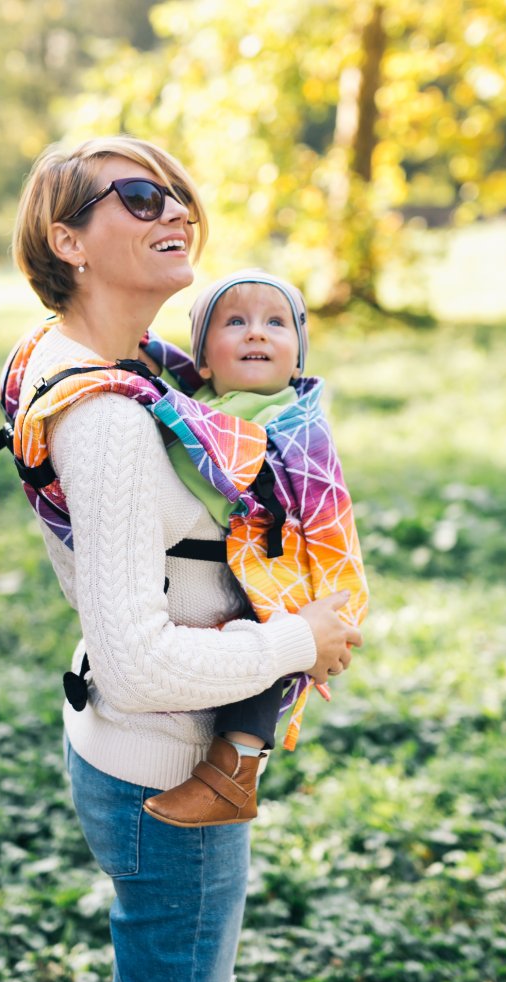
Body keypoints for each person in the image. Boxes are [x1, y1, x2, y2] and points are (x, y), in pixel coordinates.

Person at [8, 135, 363, 982]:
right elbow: (139, 666)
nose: (174, 211)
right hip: (171, 768)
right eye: (136, 197)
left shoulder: (90, 360)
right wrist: (298, 638)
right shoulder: (109, 417)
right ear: (68, 241)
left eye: (174, 196)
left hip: (129, 747)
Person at [142, 269, 368, 828]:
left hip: (278, 559)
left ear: (297, 360)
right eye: (235, 322)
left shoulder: (291, 420)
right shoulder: (200, 396)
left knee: (275, 643)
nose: (256, 334)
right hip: (214, 560)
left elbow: (325, 511)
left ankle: (233, 773)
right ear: (206, 361)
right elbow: (159, 365)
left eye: (275, 323)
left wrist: (343, 604)